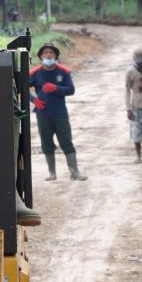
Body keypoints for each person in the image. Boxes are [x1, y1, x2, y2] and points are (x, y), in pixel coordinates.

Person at [30, 42, 87, 181]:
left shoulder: (63, 71)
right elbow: (21, 87)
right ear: (40, 57)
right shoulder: (34, 73)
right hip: (43, 113)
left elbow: (71, 89)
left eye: (51, 53)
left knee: (66, 141)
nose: (48, 55)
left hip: (60, 113)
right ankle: (52, 173)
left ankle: (74, 172)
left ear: (56, 56)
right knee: (46, 143)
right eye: (45, 53)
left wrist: (56, 88)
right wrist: (34, 100)